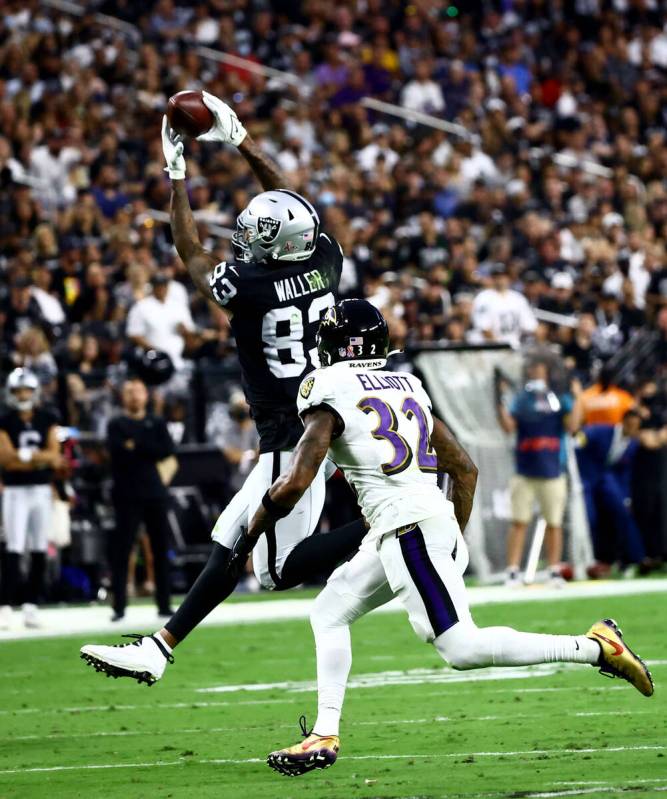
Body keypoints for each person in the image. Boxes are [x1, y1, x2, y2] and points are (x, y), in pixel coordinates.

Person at [239, 300, 652, 776]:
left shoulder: (327, 388)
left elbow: (294, 482)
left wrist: (249, 536)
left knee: (462, 648)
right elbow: (465, 469)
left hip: (406, 526)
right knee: (329, 610)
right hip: (410, 522)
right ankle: (325, 734)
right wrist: (451, 534)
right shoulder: (406, 383)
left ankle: (596, 647)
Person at [80, 93, 367, 682]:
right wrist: (244, 142)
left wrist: (177, 175)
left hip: (297, 430)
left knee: (276, 569)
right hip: (314, 414)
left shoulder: (250, 285)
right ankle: (158, 650)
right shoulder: (326, 261)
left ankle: (385, 522)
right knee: (231, 543)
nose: (245, 245)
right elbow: (297, 205)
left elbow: (189, 250)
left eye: (256, 240)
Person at [496, 361, 583, 586]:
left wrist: (578, 398)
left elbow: (572, 426)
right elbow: (508, 426)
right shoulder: (522, 398)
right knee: (518, 521)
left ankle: (554, 570)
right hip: (524, 468)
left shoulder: (558, 398)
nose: (534, 370)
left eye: (539, 367)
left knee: (554, 522)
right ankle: (513, 570)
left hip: (553, 467)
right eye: (532, 367)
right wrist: (500, 399)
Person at [106, 378, 175, 621]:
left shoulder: (155, 421)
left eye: (138, 391)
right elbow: (117, 452)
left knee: (160, 549)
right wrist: (144, 447)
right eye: (129, 391)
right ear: (123, 397)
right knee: (122, 551)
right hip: (126, 495)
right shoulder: (116, 423)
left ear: (146, 395)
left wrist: (135, 446)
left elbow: (166, 449)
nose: (134, 396)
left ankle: (165, 604)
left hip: (154, 493)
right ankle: (119, 606)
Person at [0, 368, 61, 629]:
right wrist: (37, 458)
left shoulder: (47, 418)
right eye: (18, 390)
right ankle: (4, 606)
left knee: (39, 548)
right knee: (13, 547)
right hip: (15, 491)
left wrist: (24, 457)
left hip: (41, 490)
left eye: (26, 390)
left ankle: (31, 606)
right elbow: (6, 460)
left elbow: (55, 457)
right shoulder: (5, 421)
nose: (23, 395)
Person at [471, 262, 537, 348]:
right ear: (491, 278)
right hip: (490, 347)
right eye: (496, 277)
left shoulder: (518, 298)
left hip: (515, 347)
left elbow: (530, 326)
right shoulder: (483, 298)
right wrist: (499, 347)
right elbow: (484, 329)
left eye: (503, 276)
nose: (500, 280)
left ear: (508, 278)